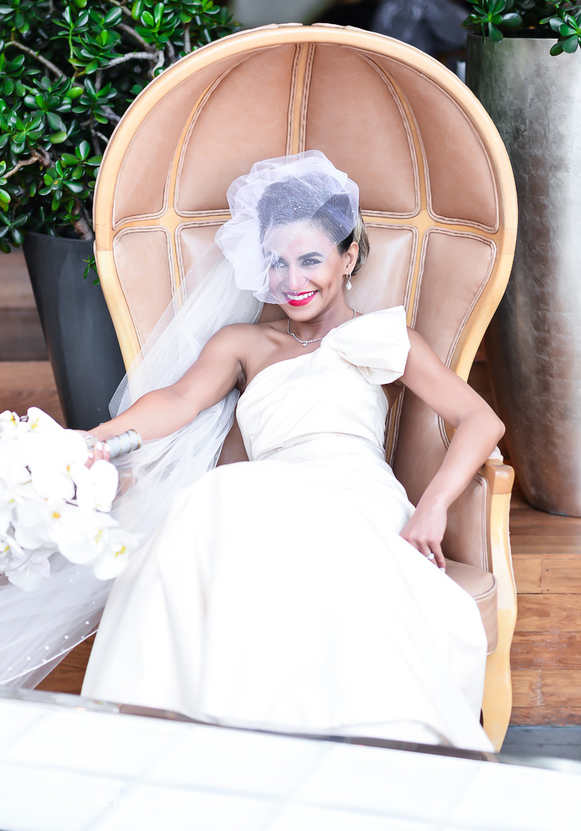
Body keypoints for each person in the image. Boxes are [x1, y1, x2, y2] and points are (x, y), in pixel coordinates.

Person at [78, 151, 504, 751]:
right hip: (267, 495)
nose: (291, 281)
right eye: (276, 262)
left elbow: (480, 420)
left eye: (310, 260)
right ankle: (195, 742)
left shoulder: (384, 336)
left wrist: (432, 506)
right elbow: (177, 399)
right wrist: (96, 438)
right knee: (207, 502)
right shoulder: (245, 342)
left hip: (356, 498)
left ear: (348, 257)